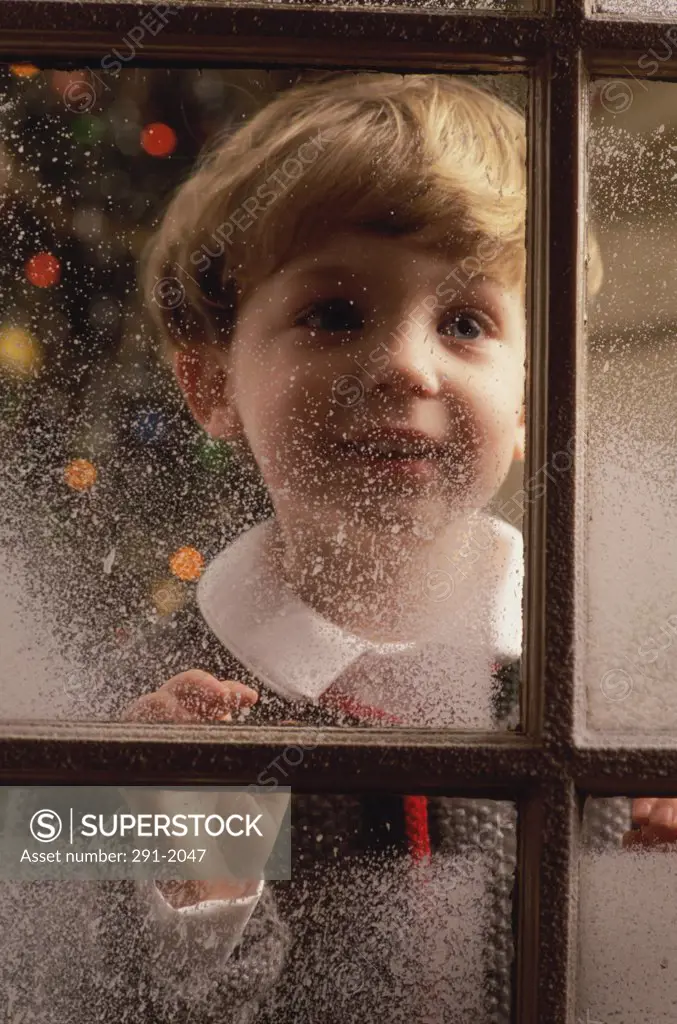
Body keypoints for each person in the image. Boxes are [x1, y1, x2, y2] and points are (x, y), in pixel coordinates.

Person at [3, 71, 672, 1024]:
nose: (405, 364)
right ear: (210, 381)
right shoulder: (135, 713)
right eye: (332, 314)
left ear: (534, 393)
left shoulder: (613, 689)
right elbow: (53, 987)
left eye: (465, 322)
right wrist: (196, 893)